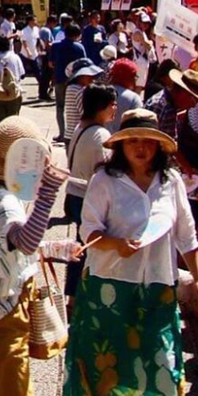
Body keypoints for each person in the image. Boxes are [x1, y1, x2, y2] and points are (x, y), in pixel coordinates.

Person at [63, 109, 198, 396]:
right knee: (113, 372)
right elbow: (88, 229)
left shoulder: (170, 181)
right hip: (110, 288)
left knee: (162, 365)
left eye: (148, 141)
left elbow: (186, 233)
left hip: (158, 287)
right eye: (133, 141)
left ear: (159, 146)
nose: (141, 148)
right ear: (121, 146)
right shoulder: (105, 180)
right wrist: (116, 244)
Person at [0, 116, 76, 396]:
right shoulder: (2, 202)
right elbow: (21, 240)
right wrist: (48, 193)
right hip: (0, 311)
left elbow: (6, 248)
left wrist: (54, 247)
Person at [64, 84, 116, 303]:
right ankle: (80, 296)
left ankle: (73, 296)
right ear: (100, 107)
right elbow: (107, 171)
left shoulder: (80, 127)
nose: (115, 109)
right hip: (87, 197)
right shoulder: (101, 134)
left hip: (73, 194)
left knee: (79, 248)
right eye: (112, 105)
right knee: (88, 250)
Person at [50, 23, 85, 142]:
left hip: (59, 79)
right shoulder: (79, 47)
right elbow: (84, 63)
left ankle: (62, 133)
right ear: (77, 35)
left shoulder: (56, 46)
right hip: (75, 81)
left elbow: (50, 63)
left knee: (60, 107)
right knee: (76, 108)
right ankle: (75, 133)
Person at [0, 35, 25, 125]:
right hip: (14, 93)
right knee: (13, 121)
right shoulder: (15, 58)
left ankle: (0, 138)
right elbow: (22, 75)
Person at [63, 57, 104, 144]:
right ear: (80, 76)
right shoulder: (80, 91)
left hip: (70, 134)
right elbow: (86, 114)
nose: (92, 78)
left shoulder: (70, 87)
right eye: (89, 76)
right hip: (79, 135)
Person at [107, 58, 143, 133]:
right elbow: (139, 125)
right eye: (134, 76)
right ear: (128, 77)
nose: (135, 80)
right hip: (123, 142)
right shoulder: (133, 98)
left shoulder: (100, 93)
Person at [19, 15, 41, 81]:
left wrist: (38, 50)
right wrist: (28, 51)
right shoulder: (24, 30)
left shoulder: (36, 29)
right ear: (30, 21)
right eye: (34, 20)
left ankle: (41, 83)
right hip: (25, 53)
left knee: (37, 69)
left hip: (34, 53)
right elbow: (24, 42)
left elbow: (37, 40)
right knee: (22, 70)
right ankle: (18, 83)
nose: (35, 22)